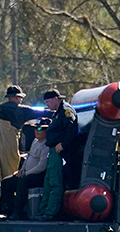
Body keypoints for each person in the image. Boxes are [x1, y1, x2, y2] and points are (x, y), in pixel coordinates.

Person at [0, 85, 44, 178]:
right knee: (9, 175)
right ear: (17, 97)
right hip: (8, 146)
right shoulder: (21, 110)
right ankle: (7, 192)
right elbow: (42, 113)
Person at [37, 89, 78, 221]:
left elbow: (71, 129)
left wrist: (64, 144)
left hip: (60, 152)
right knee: (48, 181)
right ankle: (43, 211)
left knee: (55, 183)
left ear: (56, 99)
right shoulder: (57, 113)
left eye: (48, 102)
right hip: (53, 151)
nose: (47, 105)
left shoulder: (66, 111)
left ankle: (50, 213)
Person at [0, 118, 51, 219]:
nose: (37, 131)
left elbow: (41, 166)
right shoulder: (35, 141)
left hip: (38, 175)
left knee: (22, 183)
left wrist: (26, 174)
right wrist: (21, 170)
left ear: (46, 131)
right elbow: (28, 158)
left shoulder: (47, 145)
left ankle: (18, 212)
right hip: (26, 173)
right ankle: (5, 210)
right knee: (6, 182)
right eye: (35, 129)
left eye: (40, 128)